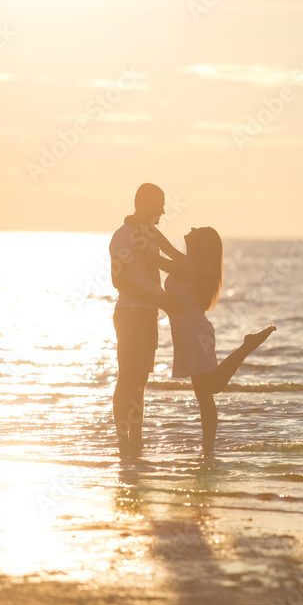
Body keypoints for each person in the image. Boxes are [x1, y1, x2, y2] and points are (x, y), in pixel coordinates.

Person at [143, 224, 275, 457]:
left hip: (194, 334)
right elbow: (168, 250)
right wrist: (149, 229)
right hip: (190, 333)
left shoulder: (188, 269)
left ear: (200, 244)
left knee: (209, 391)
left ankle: (209, 452)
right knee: (206, 394)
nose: (191, 227)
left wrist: (138, 239)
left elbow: (155, 260)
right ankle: (208, 451)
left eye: (197, 230)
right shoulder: (188, 264)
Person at [109, 184, 185, 459]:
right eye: (158, 205)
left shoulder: (151, 234)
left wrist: (202, 263)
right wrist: (162, 302)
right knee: (127, 378)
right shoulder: (124, 236)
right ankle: (122, 442)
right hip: (130, 314)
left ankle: (136, 441)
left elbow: (174, 258)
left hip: (149, 314)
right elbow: (119, 280)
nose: (163, 211)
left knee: (140, 381)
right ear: (141, 203)